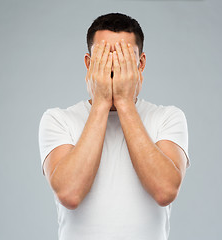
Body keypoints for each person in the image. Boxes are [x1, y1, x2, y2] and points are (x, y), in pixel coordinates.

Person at [38, 12, 190, 240]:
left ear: (141, 64)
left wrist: (124, 102)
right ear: (89, 64)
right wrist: (101, 102)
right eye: (105, 59)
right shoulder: (58, 119)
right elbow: (69, 193)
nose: (114, 67)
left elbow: (165, 191)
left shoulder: (168, 117)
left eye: (123, 58)